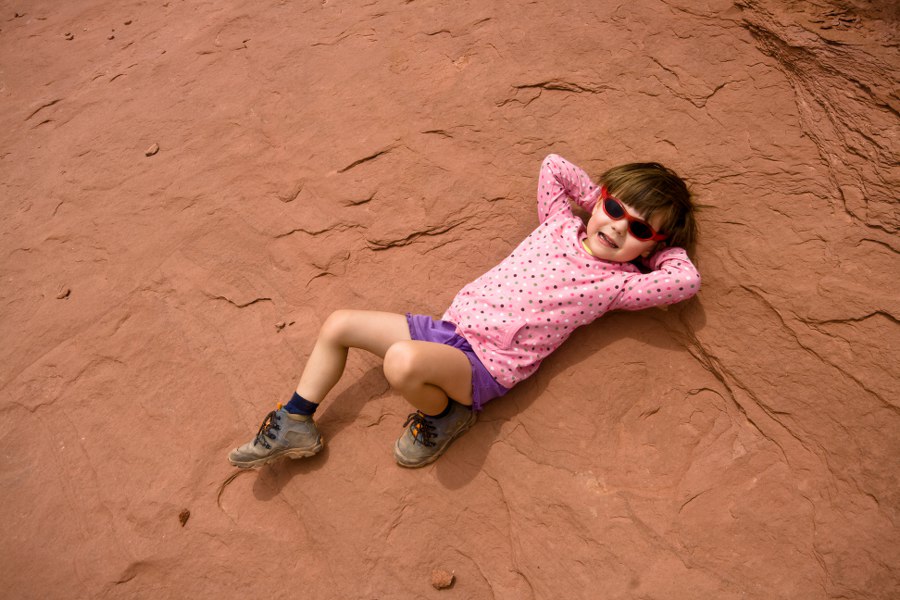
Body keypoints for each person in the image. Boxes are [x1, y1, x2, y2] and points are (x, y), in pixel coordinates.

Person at [227, 154, 700, 469]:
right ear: (599, 201)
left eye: (639, 229)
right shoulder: (559, 221)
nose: (618, 227)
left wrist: (654, 253)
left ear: (651, 244)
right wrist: (599, 196)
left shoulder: (619, 282)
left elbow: (685, 281)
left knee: (401, 362)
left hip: (485, 365)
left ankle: (447, 415)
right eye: (615, 208)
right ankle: (295, 421)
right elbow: (553, 165)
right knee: (339, 324)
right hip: (448, 331)